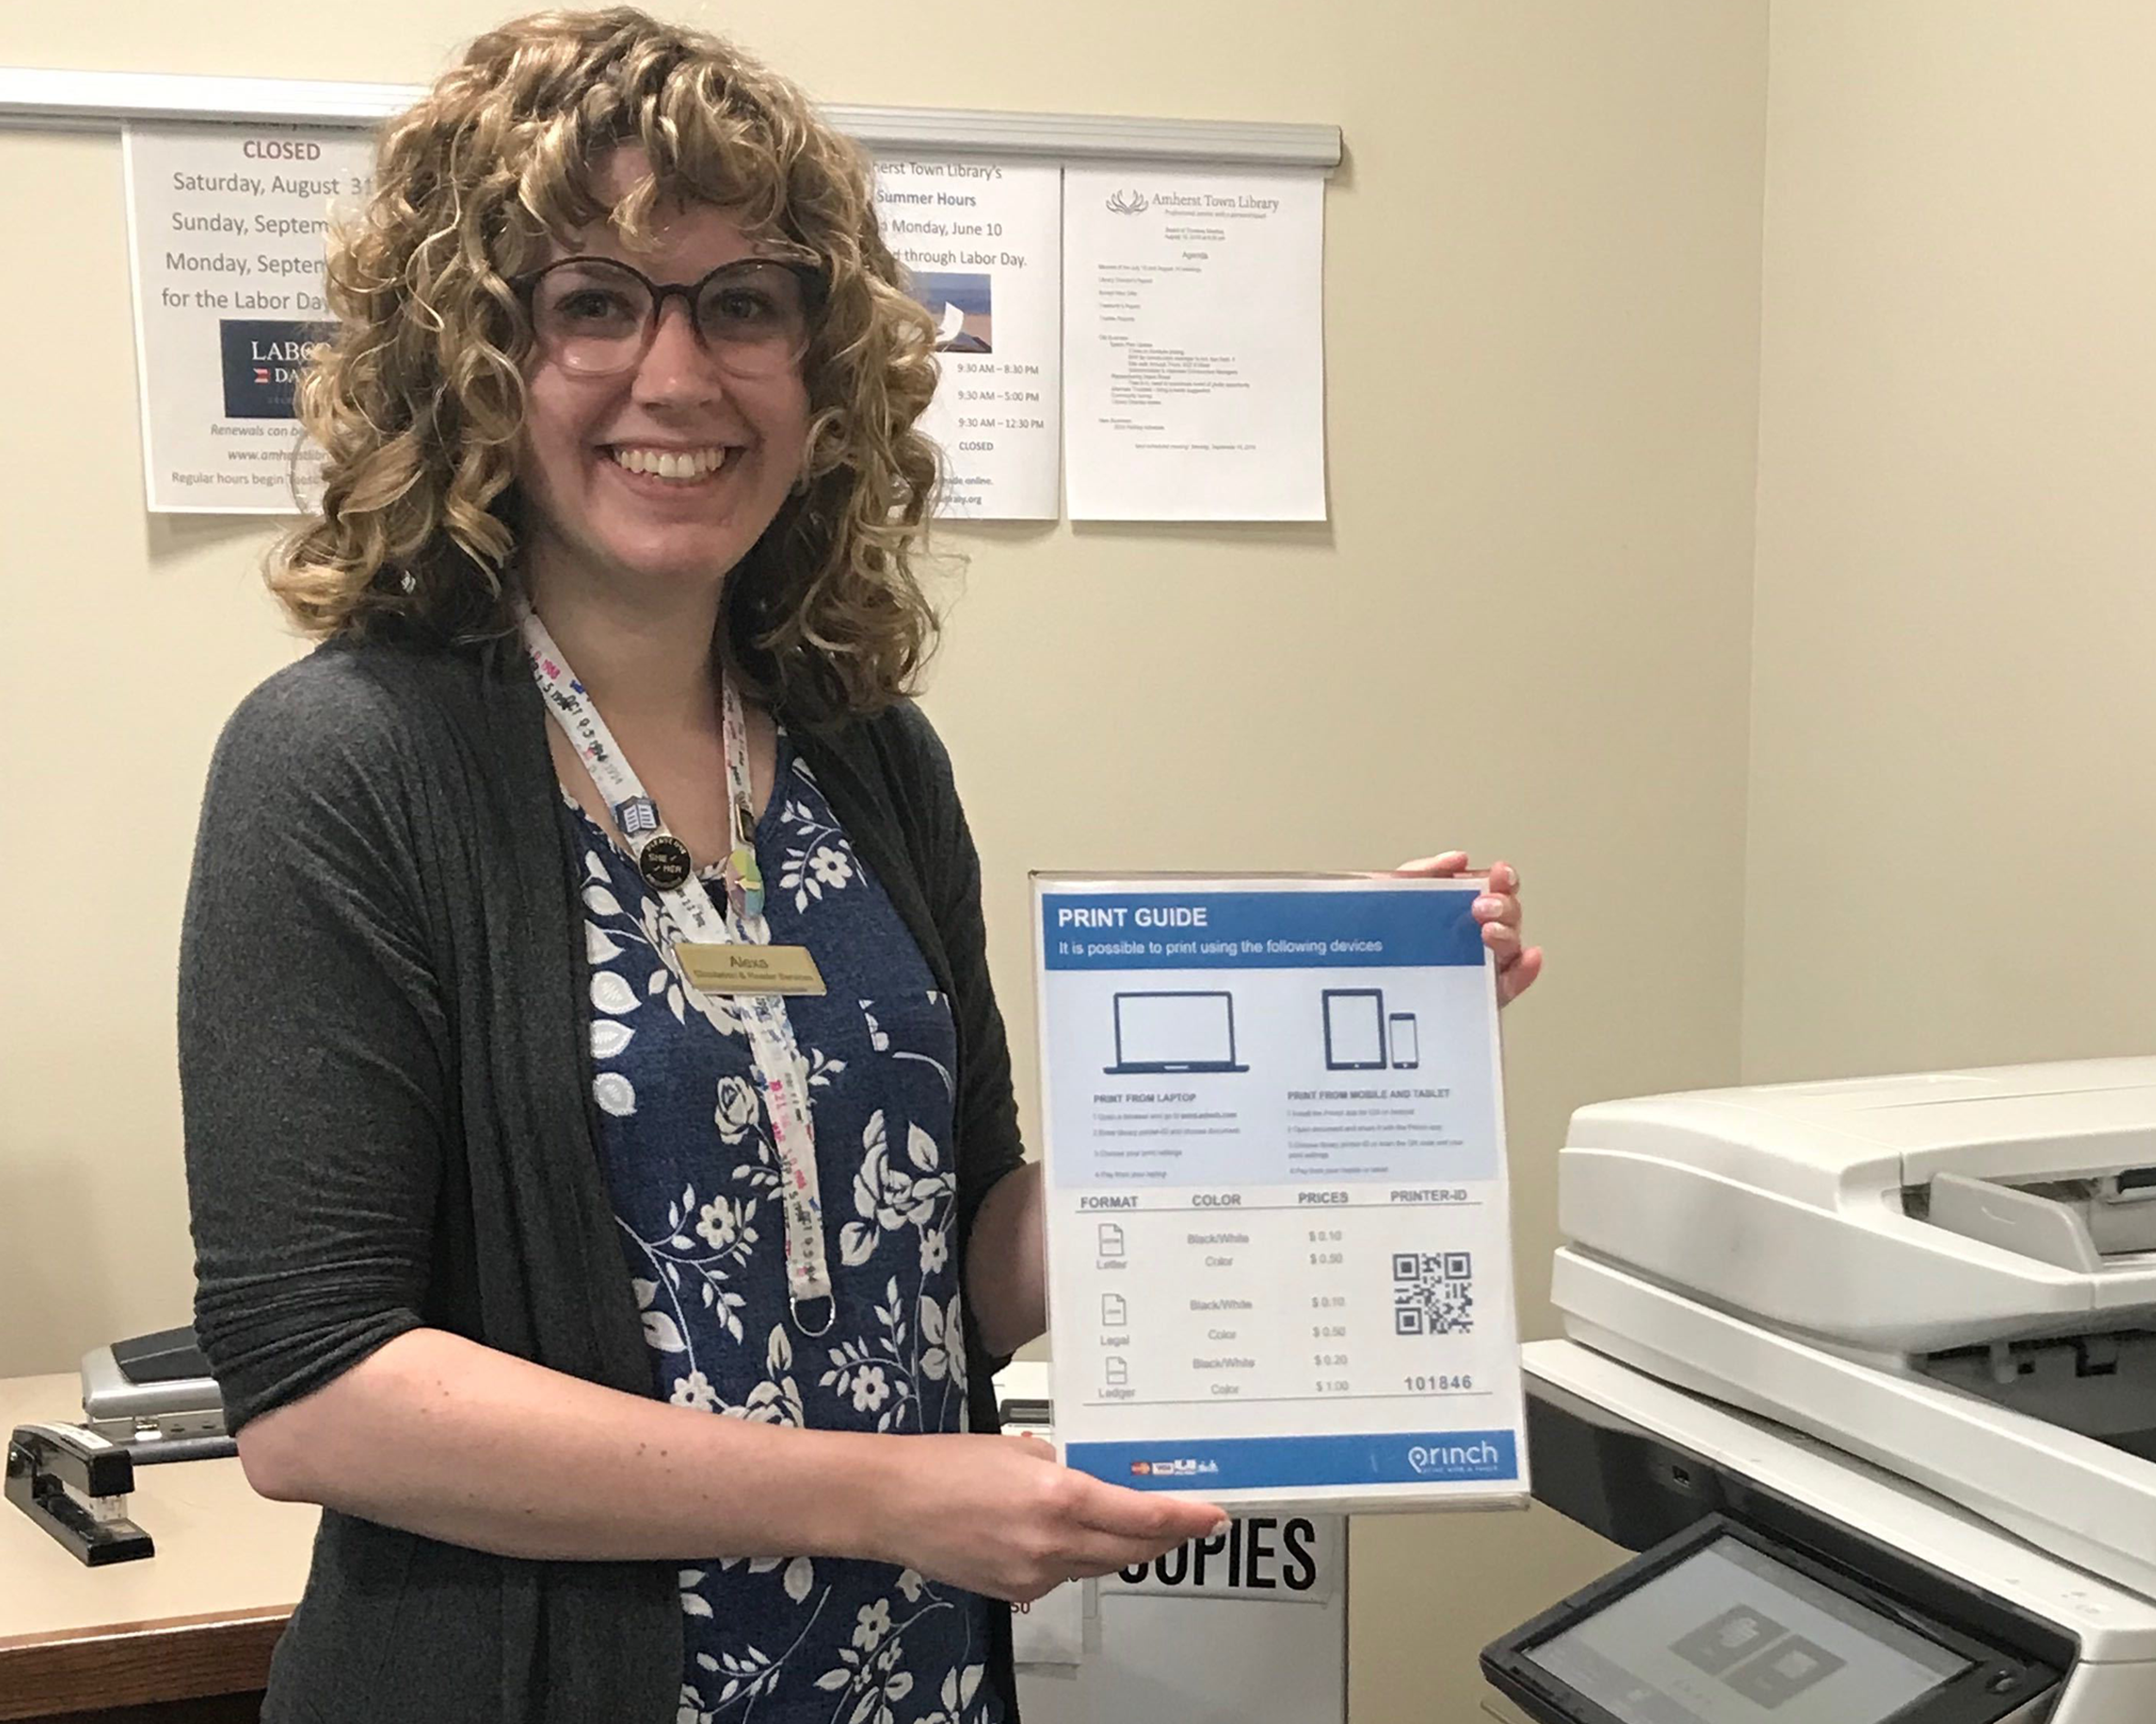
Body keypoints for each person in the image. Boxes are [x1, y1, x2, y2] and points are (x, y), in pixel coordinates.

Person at [178, 10, 1543, 1723]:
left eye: (744, 302)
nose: (677, 377)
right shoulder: (347, 764)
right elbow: (319, 1398)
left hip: (908, 1684)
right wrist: (893, 1492)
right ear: (472, 353)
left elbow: (961, 1259)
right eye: (594, 301)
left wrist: (1317, 1028)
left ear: (822, 362)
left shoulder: (865, 757)